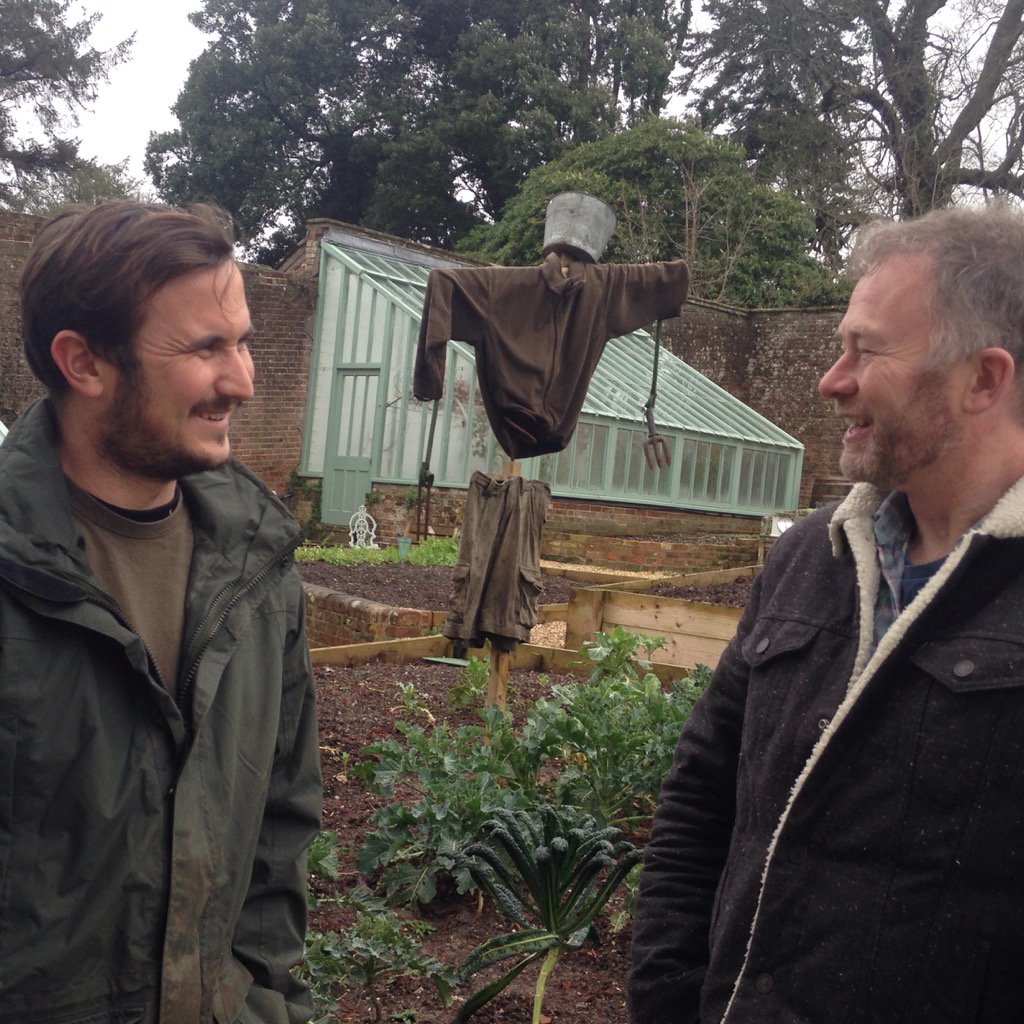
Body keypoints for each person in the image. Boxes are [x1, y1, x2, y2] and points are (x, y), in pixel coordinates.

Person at [628, 202, 1024, 1024]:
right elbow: (699, 801)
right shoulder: (812, 557)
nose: (830, 380)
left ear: (983, 379)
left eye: (865, 351)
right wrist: (668, 1001)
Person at [0, 201, 322, 1023]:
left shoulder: (259, 570)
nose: (244, 381)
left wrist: (261, 1000)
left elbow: (279, 827)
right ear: (84, 362)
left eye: (242, 340)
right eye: (206, 348)